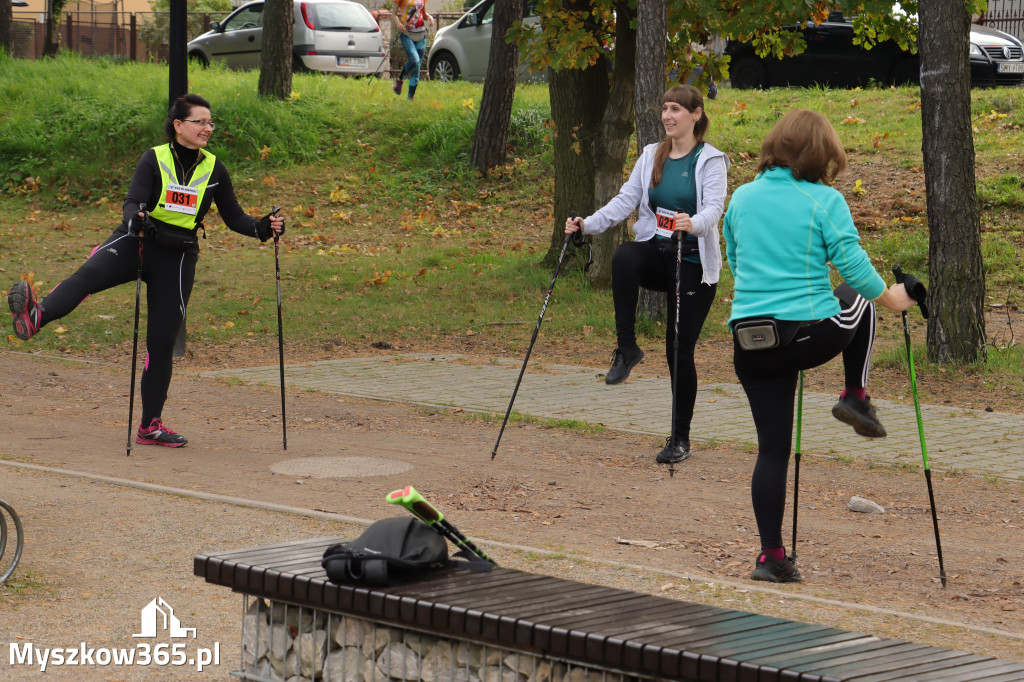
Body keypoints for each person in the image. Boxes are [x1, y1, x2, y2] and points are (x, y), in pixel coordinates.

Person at [7, 93, 285, 449]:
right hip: (136, 241)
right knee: (87, 277)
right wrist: (135, 219)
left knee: (162, 342)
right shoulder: (154, 158)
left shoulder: (214, 168)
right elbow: (132, 201)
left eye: (210, 122)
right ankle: (35, 315)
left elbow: (234, 217)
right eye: (200, 121)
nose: (207, 128)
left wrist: (264, 228)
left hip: (178, 256)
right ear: (178, 125)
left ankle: (150, 425)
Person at [722, 108, 915, 583]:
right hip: (805, 335)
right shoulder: (823, 200)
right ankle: (855, 396)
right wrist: (897, 299)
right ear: (819, 154)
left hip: (749, 341)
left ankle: (771, 557)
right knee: (861, 301)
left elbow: (734, 256)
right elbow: (854, 267)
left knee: (771, 451)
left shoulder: (741, 197)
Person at [565, 84, 729, 465]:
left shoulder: (711, 160)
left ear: (696, 114)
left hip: (692, 267)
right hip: (659, 254)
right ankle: (627, 349)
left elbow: (715, 209)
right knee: (624, 256)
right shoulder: (652, 155)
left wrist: (695, 222)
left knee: (678, 352)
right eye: (665, 109)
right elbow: (626, 200)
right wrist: (586, 224)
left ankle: (680, 439)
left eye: (676, 110)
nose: (668, 116)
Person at [391, 0, 434, 100]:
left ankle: (410, 97)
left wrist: (430, 18)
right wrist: (399, 25)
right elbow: (393, 14)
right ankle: (400, 79)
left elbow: (423, 13)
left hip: (421, 34)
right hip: (407, 34)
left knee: (417, 68)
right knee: (415, 60)